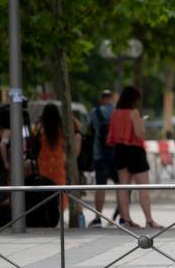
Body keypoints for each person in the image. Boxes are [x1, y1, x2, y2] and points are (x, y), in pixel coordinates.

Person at [107, 85, 162, 229]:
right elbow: (139, 134)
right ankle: (149, 220)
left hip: (119, 150)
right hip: (134, 151)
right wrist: (141, 124)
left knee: (123, 187)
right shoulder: (133, 113)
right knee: (143, 187)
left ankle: (126, 219)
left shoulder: (115, 113)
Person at [36, 103, 81, 209]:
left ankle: (47, 211)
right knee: (59, 187)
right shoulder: (62, 129)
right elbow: (75, 130)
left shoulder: (41, 128)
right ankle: (59, 209)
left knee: (45, 188)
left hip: (43, 162)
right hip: (58, 161)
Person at [88, 90, 119, 227]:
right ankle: (122, 218)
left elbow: (90, 129)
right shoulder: (118, 112)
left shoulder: (95, 112)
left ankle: (97, 218)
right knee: (121, 187)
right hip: (117, 155)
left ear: (101, 99)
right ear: (112, 99)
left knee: (100, 187)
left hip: (99, 155)